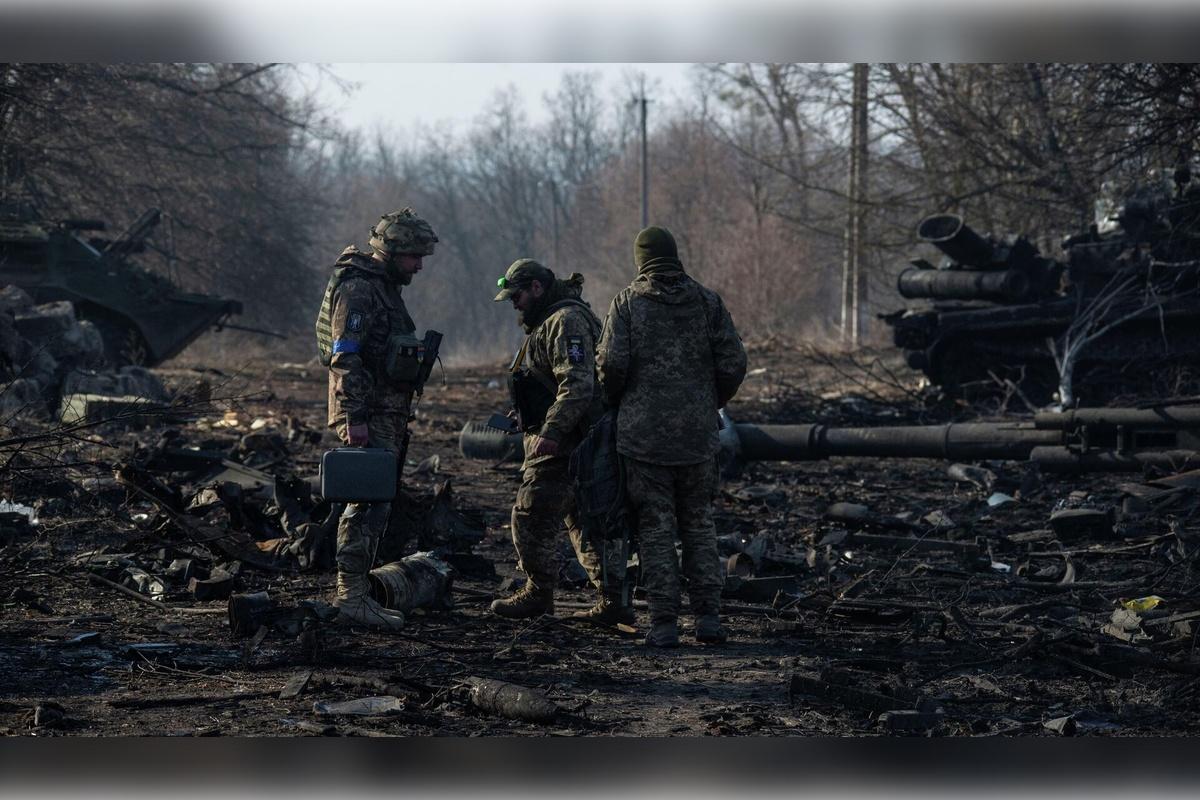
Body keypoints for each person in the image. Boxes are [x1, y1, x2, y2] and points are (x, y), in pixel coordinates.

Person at [596, 226, 747, 647]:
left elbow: (610, 364)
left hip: (643, 440)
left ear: (640, 259)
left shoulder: (627, 303)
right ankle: (709, 619)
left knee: (655, 527)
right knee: (699, 523)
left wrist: (620, 401)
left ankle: (664, 624)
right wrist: (708, 400)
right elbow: (734, 362)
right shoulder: (706, 301)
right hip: (697, 436)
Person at [315, 208, 438, 631]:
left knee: (378, 502)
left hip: (385, 412)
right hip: (367, 413)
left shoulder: (384, 288)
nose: (419, 265)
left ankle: (359, 590)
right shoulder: (360, 290)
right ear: (394, 251)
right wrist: (354, 417)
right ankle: (350, 597)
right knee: (365, 503)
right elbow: (344, 355)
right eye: (414, 256)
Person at [490, 258, 632, 626]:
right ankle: (612, 600)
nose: (514, 303)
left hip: (569, 440)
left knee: (531, 513)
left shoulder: (565, 321)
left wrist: (551, 432)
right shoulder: (547, 322)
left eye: (517, 295)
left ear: (537, 288)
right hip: (567, 435)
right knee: (581, 519)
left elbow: (578, 385)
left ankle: (539, 592)